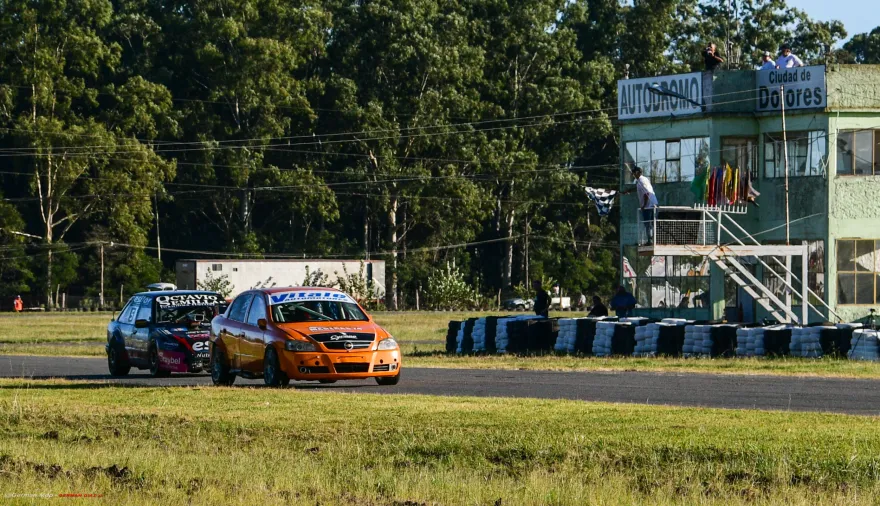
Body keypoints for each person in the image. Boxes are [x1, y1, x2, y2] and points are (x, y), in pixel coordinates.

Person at [628, 167, 658, 244]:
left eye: (634, 173)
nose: (633, 175)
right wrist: (629, 191)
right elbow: (639, 189)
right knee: (651, 223)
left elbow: (646, 193)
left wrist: (644, 205)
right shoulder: (641, 181)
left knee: (648, 223)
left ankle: (650, 240)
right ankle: (651, 239)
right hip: (651, 204)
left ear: (637, 172)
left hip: (649, 205)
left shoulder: (642, 180)